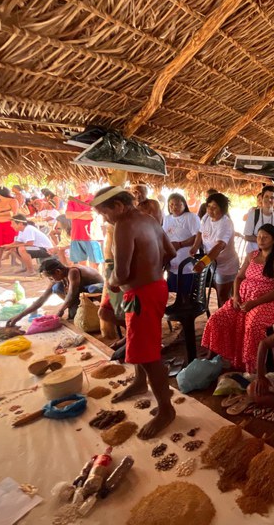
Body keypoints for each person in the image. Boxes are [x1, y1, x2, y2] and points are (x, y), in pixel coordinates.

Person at [92, 185, 176, 439]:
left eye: (104, 213)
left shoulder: (124, 226)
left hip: (142, 295)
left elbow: (122, 273)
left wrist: (112, 278)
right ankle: (140, 383)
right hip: (155, 288)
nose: (104, 218)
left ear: (118, 206)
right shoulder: (149, 220)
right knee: (139, 342)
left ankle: (166, 409)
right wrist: (150, 270)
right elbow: (170, 252)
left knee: (149, 355)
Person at [201, 224, 274, 372]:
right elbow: (239, 277)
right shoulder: (252, 256)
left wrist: (254, 303)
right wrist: (235, 296)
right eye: (259, 236)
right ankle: (213, 356)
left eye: (265, 237)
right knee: (217, 319)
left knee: (252, 325)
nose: (261, 239)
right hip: (243, 300)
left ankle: (254, 367)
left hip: (268, 302)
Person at [6, 258, 103, 325]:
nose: (50, 280)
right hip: (80, 291)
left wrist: (61, 310)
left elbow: (72, 293)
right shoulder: (59, 277)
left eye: (50, 277)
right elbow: (42, 299)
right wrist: (20, 316)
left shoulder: (73, 272)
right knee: (56, 287)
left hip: (97, 288)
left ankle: (103, 310)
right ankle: (76, 307)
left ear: (58, 271)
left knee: (93, 289)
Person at [190, 192, 240, 307]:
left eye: (214, 207)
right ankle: (223, 320)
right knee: (220, 295)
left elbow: (219, 246)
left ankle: (227, 321)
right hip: (212, 262)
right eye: (208, 206)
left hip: (226, 265)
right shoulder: (206, 217)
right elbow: (200, 231)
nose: (210, 210)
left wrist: (203, 262)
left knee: (223, 296)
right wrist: (195, 247)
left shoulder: (226, 223)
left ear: (222, 209)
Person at [162, 193, 201, 295]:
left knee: (186, 293)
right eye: (171, 204)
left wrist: (179, 244)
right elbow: (163, 236)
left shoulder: (191, 217)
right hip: (171, 263)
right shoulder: (167, 218)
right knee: (173, 293)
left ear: (184, 205)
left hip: (186, 262)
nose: (174, 207)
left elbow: (197, 237)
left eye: (178, 204)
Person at [65, 182, 103, 267]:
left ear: (88, 188)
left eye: (83, 187)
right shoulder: (72, 200)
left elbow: (91, 216)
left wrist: (75, 215)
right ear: (76, 189)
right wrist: (84, 213)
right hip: (76, 234)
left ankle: (97, 280)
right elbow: (68, 215)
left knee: (95, 263)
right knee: (81, 264)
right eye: (78, 187)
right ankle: (86, 280)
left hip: (92, 235)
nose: (81, 189)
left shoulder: (94, 199)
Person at [243, 185, 274, 254]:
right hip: (253, 254)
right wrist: (265, 241)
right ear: (262, 198)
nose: (269, 200)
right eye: (266, 196)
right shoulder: (253, 214)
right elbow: (247, 236)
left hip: (270, 255)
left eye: (272, 198)